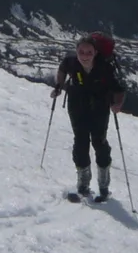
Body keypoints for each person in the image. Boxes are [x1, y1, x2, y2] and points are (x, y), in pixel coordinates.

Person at [52, 31, 124, 201]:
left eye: (89, 52)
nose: (84, 56)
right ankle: (84, 184)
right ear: (76, 51)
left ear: (96, 53)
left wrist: (117, 104)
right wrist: (58, 86)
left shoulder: (105, 68)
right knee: (80, 141)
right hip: (77, 105)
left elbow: (119, 88)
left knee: (99, 142)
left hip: (99, 107)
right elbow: (62, 69)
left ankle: (103, 185)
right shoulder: (71, 62)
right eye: (81, 52)